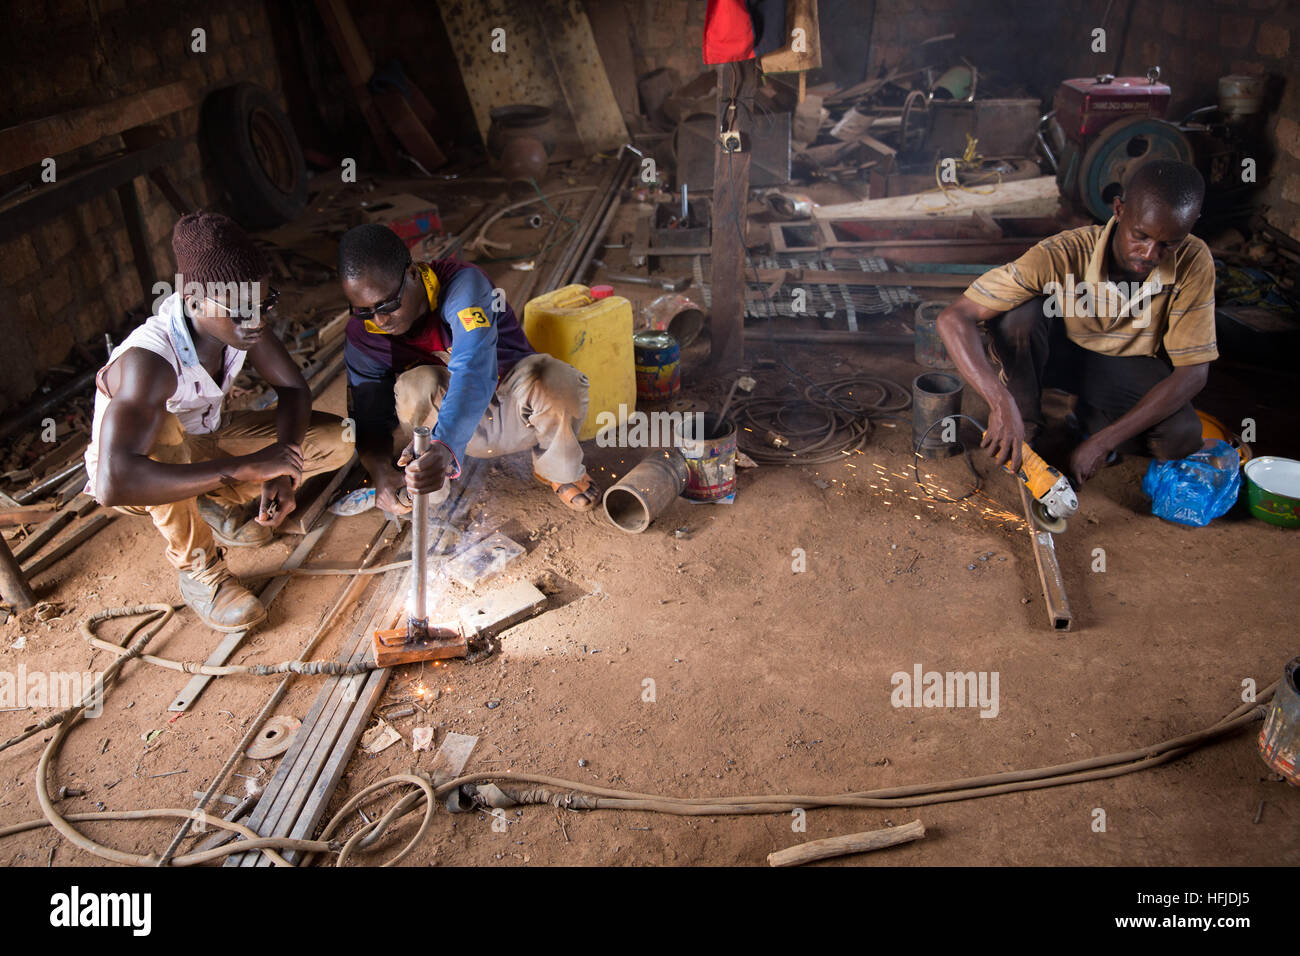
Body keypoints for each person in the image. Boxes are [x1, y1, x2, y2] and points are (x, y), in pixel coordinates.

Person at [84, 212, 353, 632]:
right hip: (138, 474)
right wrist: (245, 467)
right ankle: (199, 571)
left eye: (265, 304)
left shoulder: (242, 319)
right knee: (165, 430)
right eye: (244, 310)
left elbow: (294, 389)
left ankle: (208, 502)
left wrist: (282, 473)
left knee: (335, 439)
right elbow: (112, 483)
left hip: (202, 444)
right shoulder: (148, 362)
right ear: (192, 302)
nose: (258, 320)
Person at [936, 159, 1216, 488]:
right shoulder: (1063, 253)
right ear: (1119, 209)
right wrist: (1000, 401)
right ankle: (1025, 424)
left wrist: (1103, 442)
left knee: (1179, 438)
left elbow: (1194, 372)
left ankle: (1088, 422)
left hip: (1123, 366)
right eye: (1140, 236)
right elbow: (954, 317)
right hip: (1059, 354)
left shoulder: (1194, 260)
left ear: (1191, 226)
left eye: (1169, 243)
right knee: (1018, 317)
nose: (1150, 254)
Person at [337, 224, 597, 516]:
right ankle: (427, 491)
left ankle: (560, 471)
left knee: (557, 381)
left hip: (516, 410)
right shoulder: (364, 334)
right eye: (364, 310)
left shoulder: (463, 285)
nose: (380, 320)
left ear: (412, 274)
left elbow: (474, 368)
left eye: (388, 304)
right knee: (415, 385)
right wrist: (381, 471)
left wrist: (446, 446)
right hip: (452, 432)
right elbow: (368, 416)